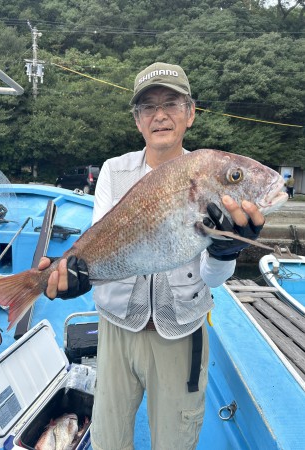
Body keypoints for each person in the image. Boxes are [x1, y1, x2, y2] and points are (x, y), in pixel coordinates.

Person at [39, 62, 265, 450]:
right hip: (116, 329)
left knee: (175, 440)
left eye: (172, 104)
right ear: (138, 121)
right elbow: (103, 245)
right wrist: (77, 275)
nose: (160, 115)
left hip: (180, 331)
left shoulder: (207, 173)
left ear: (190, 114)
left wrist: (227, 247)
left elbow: (212, 279)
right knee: (108, 439)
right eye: (148, 107)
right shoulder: (115, 171)